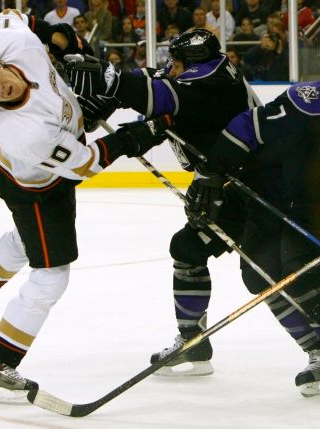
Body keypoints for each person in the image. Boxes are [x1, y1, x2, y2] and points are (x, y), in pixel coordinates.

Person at [0, 9, 171, 404]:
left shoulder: (11, 42)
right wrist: (137, 137)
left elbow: (10, 16)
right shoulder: (25, 133)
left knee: (25, 237)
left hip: (25, 166)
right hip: (38, 186)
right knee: (51, 275)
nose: (1, 90)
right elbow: (84, 163)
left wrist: (58, 41)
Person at [64, 28, 261, 375]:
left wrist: (108, 80)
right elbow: (154, 84)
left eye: (177, 62)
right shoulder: (210, 72)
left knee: (270, 273)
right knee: (188, 249)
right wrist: (107, 103)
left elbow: (155, 94)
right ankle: (193, 342)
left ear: (194, 65)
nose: (171, 67)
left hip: (257, 193)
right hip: (231, 190)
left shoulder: (211, 87)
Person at [188, 40, 320, 401]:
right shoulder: (308, 102)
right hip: (279, 200)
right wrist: (211, 173)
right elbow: (248, 125)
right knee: (259, 275)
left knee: (301, 270)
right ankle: (319, 350)